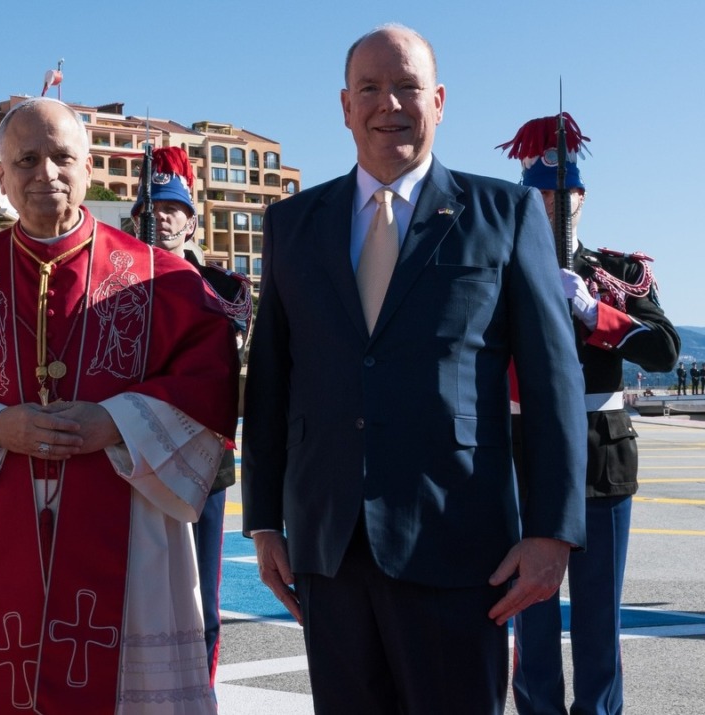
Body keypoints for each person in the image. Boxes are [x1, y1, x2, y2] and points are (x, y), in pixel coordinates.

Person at [241, 25, 587, 714]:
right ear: (345, 106)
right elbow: (272, 382)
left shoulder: (506, 214)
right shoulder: (291, 225)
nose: (387, 104)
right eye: (369, 88)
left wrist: (553, 531)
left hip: (458, 545)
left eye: (406, 87)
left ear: (439, 100)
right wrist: (264, 520)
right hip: (329, 548)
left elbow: (554, 383)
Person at [0, 96, 238, 713]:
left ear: (89, 167)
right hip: (1, 513)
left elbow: (209, 383)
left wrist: (118, 421)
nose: (45, 173)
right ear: (1, 177)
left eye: (61, 157)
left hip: (132, 526)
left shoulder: (163, 280)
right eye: (26, 159)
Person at [499, 112, 680, 715]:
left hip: (600, 449)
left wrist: (594, 313)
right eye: (542, 194)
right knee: (532, 617)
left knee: (599, 619)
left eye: (565, 193)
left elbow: (664, 351)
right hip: (523, 448)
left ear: (583, 195)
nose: (554, 205)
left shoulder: (620, 273)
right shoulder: (495, 267)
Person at [131, 145, 251, 684]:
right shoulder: (110, 288)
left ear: (192, 220)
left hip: (202, 460)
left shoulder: (224, 289)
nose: (159, 217)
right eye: (149, 209)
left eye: (171, 209)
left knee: (201, 595)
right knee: (132, 595)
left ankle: (200, 693)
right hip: (128, 456)